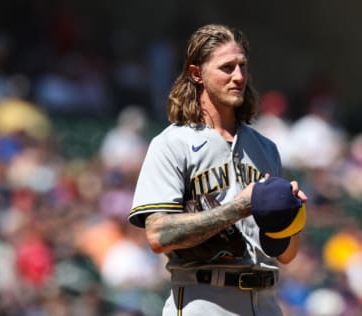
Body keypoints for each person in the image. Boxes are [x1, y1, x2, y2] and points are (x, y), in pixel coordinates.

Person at [128, 24, 307, 315]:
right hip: (204, 298)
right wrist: (235, 209)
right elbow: (157, 235)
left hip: (266, 301)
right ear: (196, 74)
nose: (239, 76)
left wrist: (289, 215)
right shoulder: (173, 143)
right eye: (227, 67)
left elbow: (287, 254)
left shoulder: (266, 148)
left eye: (242, 66)